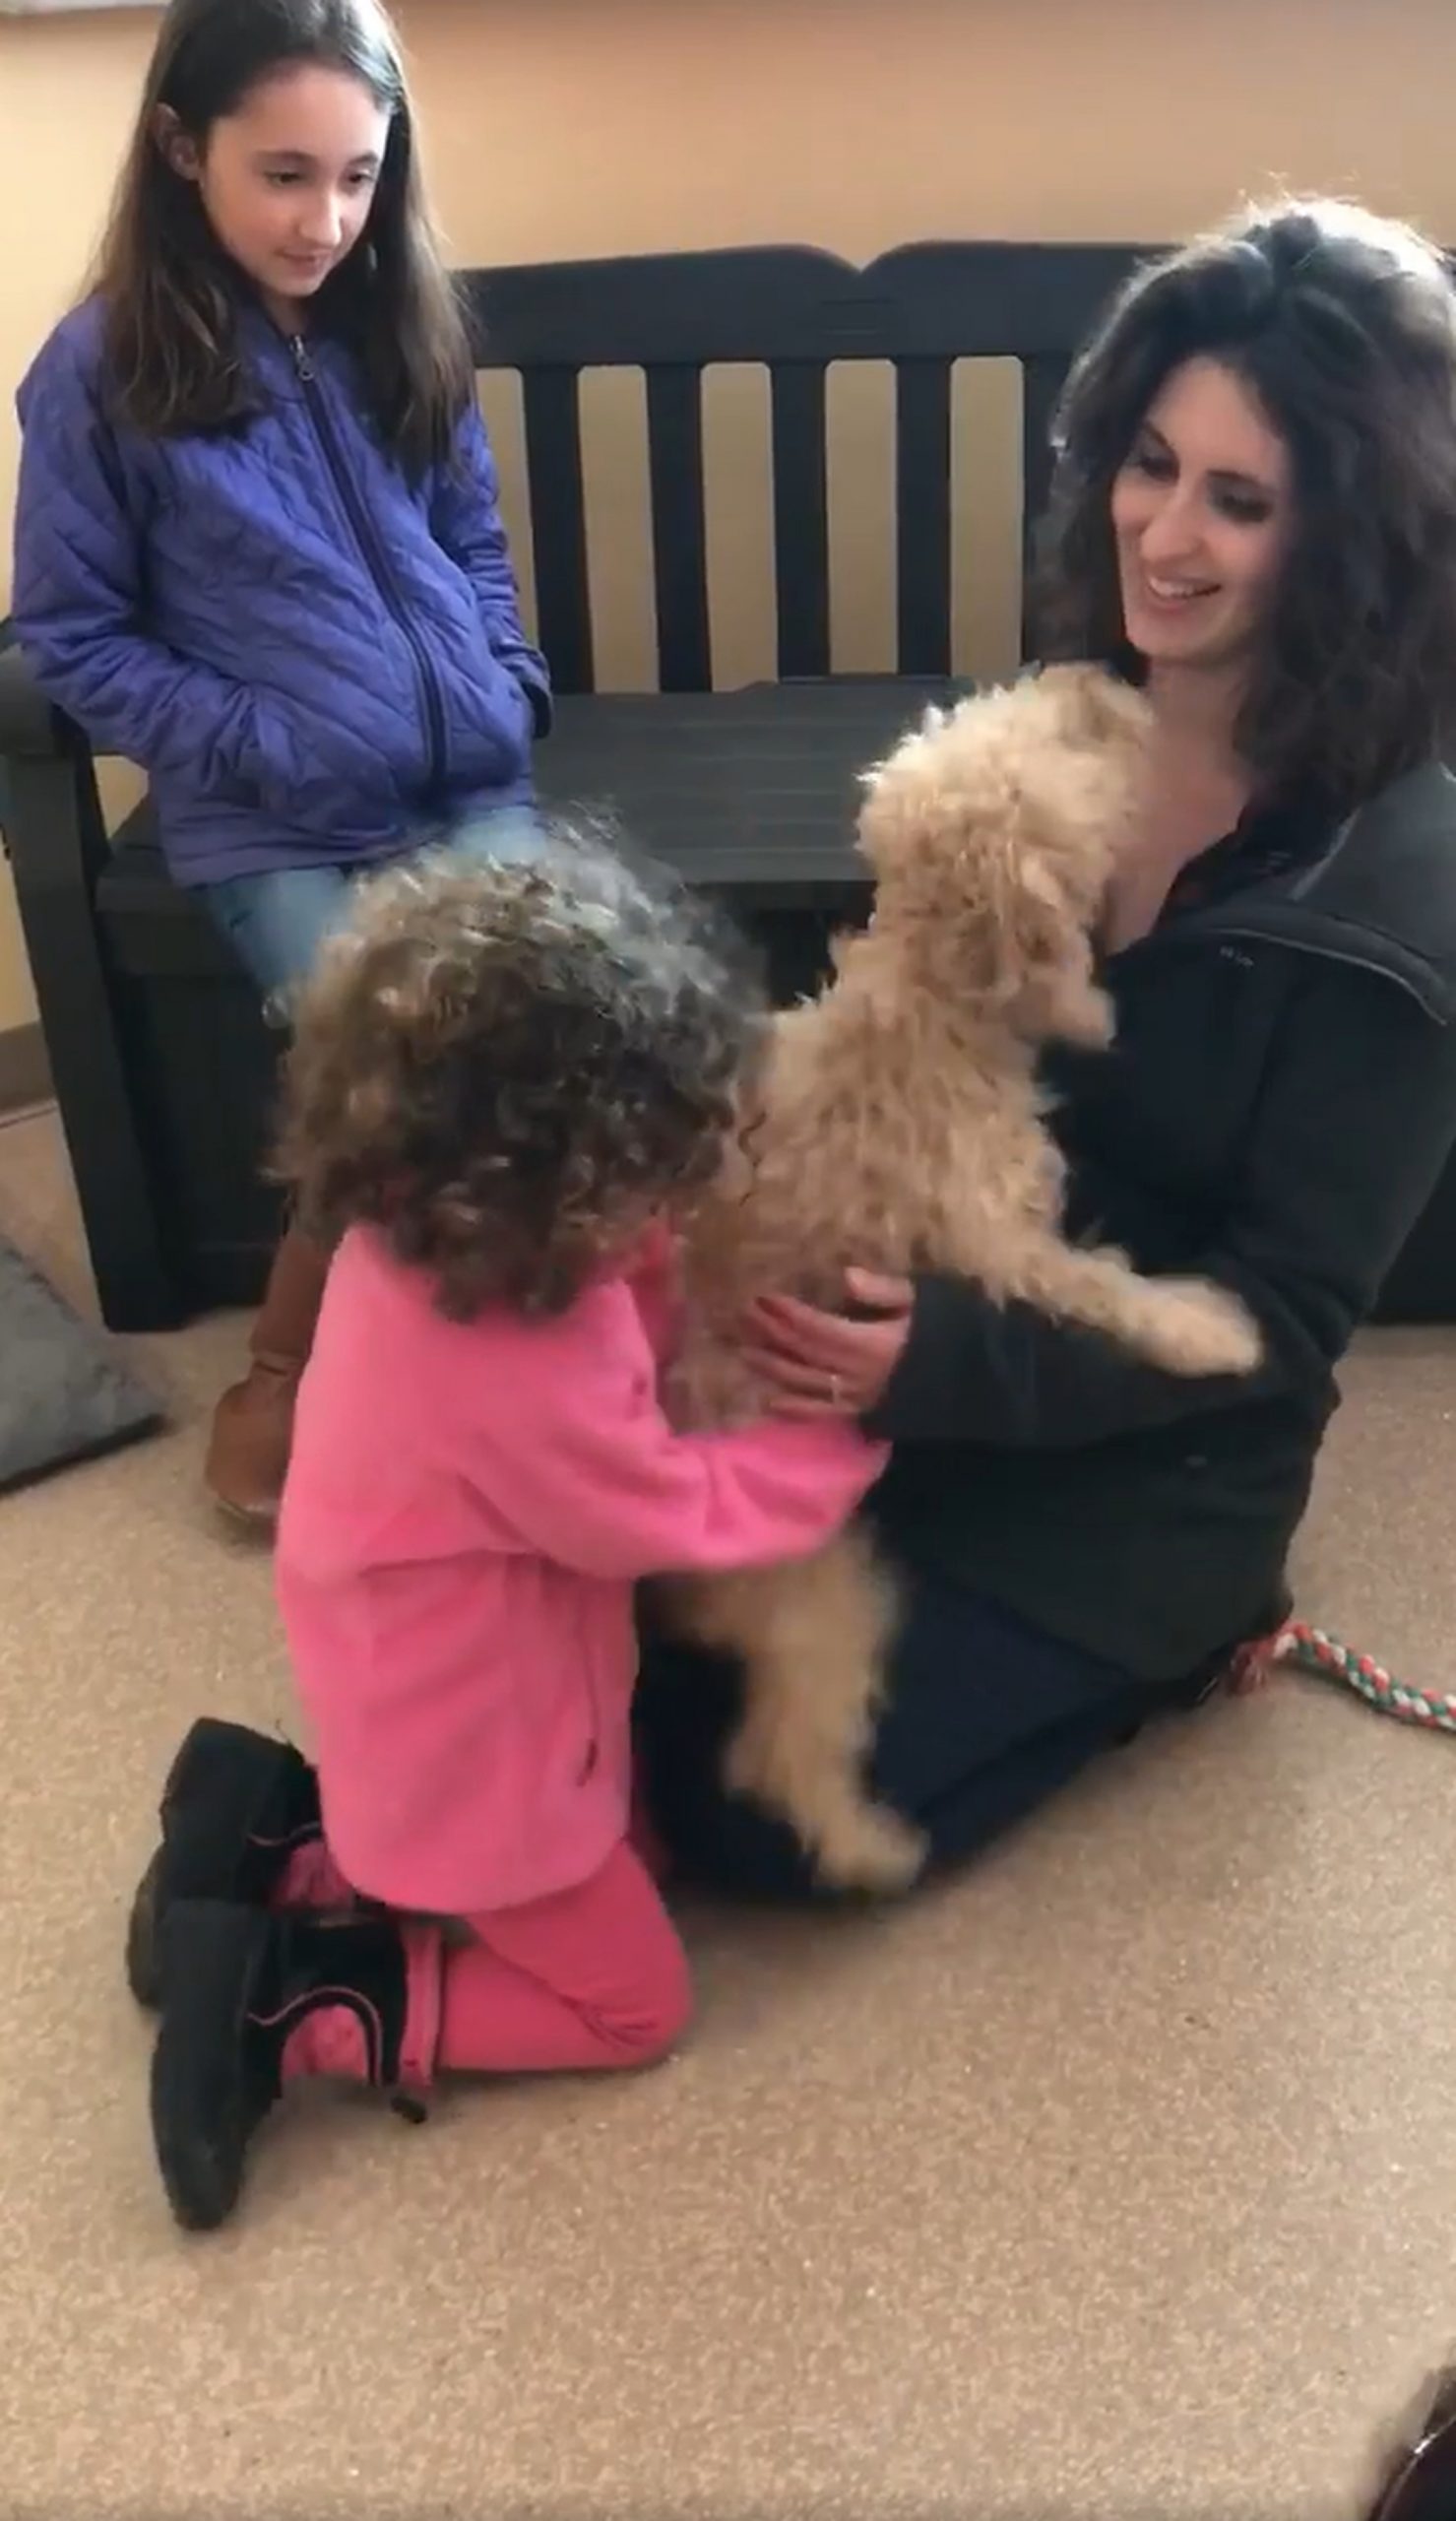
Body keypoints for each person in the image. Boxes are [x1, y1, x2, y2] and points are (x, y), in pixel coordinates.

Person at [630, 195, 1456, 1899]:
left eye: (1242, 501)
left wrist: (933, 1364)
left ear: (1359, 541)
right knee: (598, 1620)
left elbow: (1280, 1331)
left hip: (1149, 1463)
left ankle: (1195, 1642)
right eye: (1151, 465)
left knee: (732, 1810)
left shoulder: (1408, 902)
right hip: (957, 1306)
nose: (1164, 535)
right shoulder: (1081, 707)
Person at [130, 835, 888, 2231]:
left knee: (614, 1848)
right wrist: (834, 1439)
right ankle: (295, 2005)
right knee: (632, 2000)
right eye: (639, 1187)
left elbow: (622, 1301)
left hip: (417, 1657)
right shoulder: (513, 1362)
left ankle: (269, 1844)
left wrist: (673, 1233)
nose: (663, 1210)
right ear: (548, 1185)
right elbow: (664, 1511)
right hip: (472, 1714)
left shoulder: (436, 1230)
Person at [9, 0, 550, 1524]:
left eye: (361, 177)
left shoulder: (400, 322)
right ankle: (291, 1366)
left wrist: (508, 683)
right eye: (285, 173)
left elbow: (471, 542)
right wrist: (260, 745)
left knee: (547, 1033)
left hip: (464, 784)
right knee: (393, 1067)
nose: (328, 219)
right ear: (183, 149)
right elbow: (74, 632)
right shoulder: (106, 365)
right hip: (273, 826)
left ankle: (520, 1369)